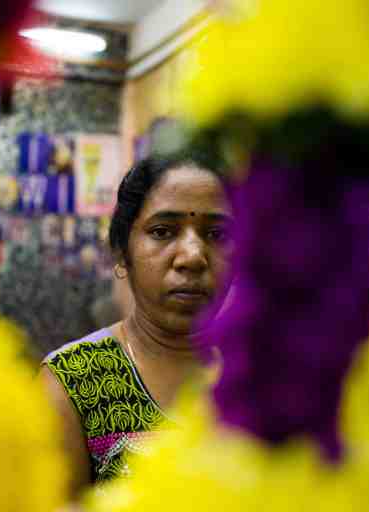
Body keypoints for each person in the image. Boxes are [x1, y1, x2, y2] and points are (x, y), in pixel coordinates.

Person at [39, 154, 234, 497]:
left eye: (217, 234)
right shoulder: (71, 381)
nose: (192, 256)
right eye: (162, 231)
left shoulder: (269, 375)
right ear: (120, 252)